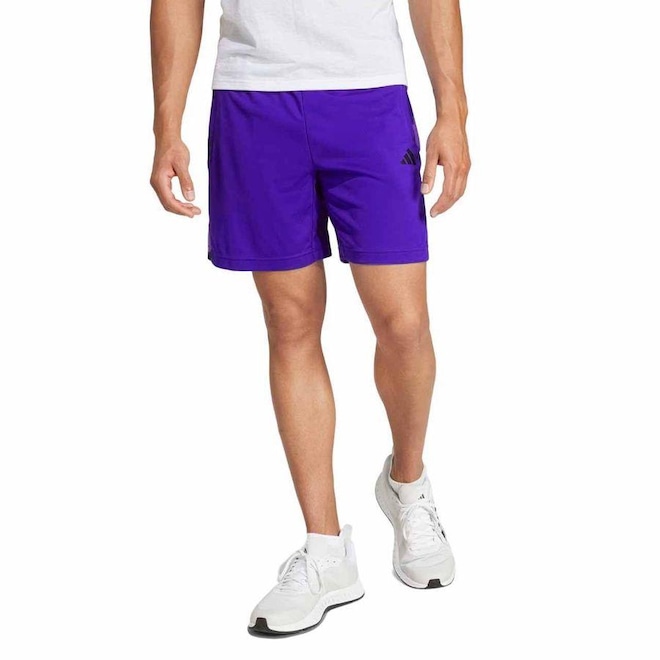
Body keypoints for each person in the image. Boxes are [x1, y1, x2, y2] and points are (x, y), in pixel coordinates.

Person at [150, 0, 470, 637]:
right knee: (289, 321)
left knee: (403, 323)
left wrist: (453, 111)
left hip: (370, 94)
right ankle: (326, 550)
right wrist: (167, 126)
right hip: (253, 99)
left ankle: (407, 483)